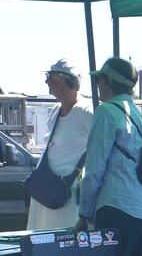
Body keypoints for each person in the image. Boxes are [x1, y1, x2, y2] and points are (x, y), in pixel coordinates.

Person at [77, 57, 142, 256]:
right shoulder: (139, 116)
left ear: (107, 82)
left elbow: (94, 169)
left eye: (99, 81)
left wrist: (84, 214)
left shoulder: (106, 112)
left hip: (117, 208)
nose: (97, 86)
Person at [27, 59, 93, 231]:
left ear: (66, 81)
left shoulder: (87, 110)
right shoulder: (56, 110)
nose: (47, 82)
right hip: (47, 188)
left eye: (52, 78)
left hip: (67, 193)